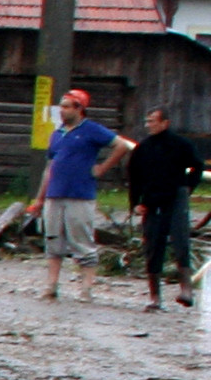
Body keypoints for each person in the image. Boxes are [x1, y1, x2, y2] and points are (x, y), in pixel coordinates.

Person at [40, 89, 127, 302]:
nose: (62, 110)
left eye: (67, 106)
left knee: (82, 241)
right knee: (53, 240)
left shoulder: (91, 130)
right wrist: (40, 197)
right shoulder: (57, 133)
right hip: (55, 194)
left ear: (80, 108)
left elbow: (121, 145)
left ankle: (86, 289)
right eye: (61, 106)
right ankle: (51, 286)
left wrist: (102, 168)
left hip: (80, 194)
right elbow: (49, 166)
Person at [125, 106, 202, 311]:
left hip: (176, 197)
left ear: (165, 123)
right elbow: (134, 177)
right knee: (153, 245)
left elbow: (197, 166)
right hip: (152, 201)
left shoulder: (181, 144)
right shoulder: (143, 149)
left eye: (153, 121)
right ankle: (155, 297)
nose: (149, 125)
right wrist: (136, 203)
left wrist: (187, 187)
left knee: (180, 241)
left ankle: (186, 289)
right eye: (147, 121)